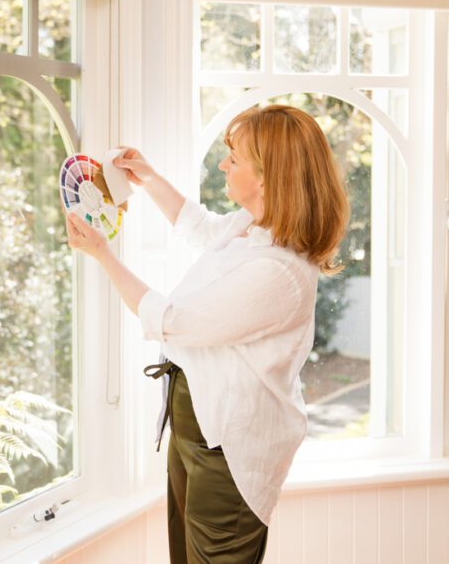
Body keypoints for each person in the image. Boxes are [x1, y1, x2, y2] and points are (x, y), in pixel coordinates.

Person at [64, 104, 349, 564]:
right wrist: (148, 178)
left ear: (265, 177)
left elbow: (175, 320)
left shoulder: (278, 272)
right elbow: (201, 228)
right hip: (196, 427)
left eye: (233, 159)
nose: (222, 165)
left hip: (230, 448)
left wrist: (102, 254)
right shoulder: (252, 228)